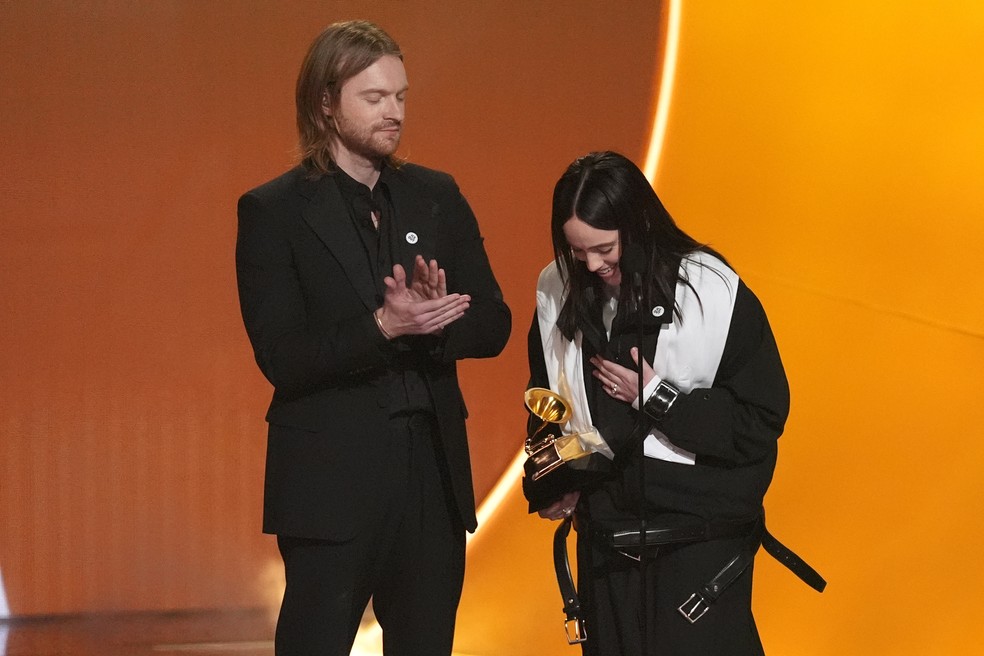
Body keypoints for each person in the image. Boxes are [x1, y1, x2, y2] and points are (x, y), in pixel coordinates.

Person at [235, 20, 511, 655]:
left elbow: (493, 321)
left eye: (402, 97)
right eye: (376, 98)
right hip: (331, 489)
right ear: (325, 102)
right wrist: (384, 326)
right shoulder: (273, 212)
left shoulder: (435, 196)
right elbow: (282, 357)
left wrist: (438, 319)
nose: (395, 113)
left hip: (432, 483)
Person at [525, 151, 821, 655]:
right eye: (578, 253)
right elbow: (545, 404)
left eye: (604, 249)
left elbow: (760, 419)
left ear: (636, 225)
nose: (593, 266)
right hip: (606, 549)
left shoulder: (710, 290)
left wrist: (657, 398)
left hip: (697, 547)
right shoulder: (556, 289)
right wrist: (552, 485)